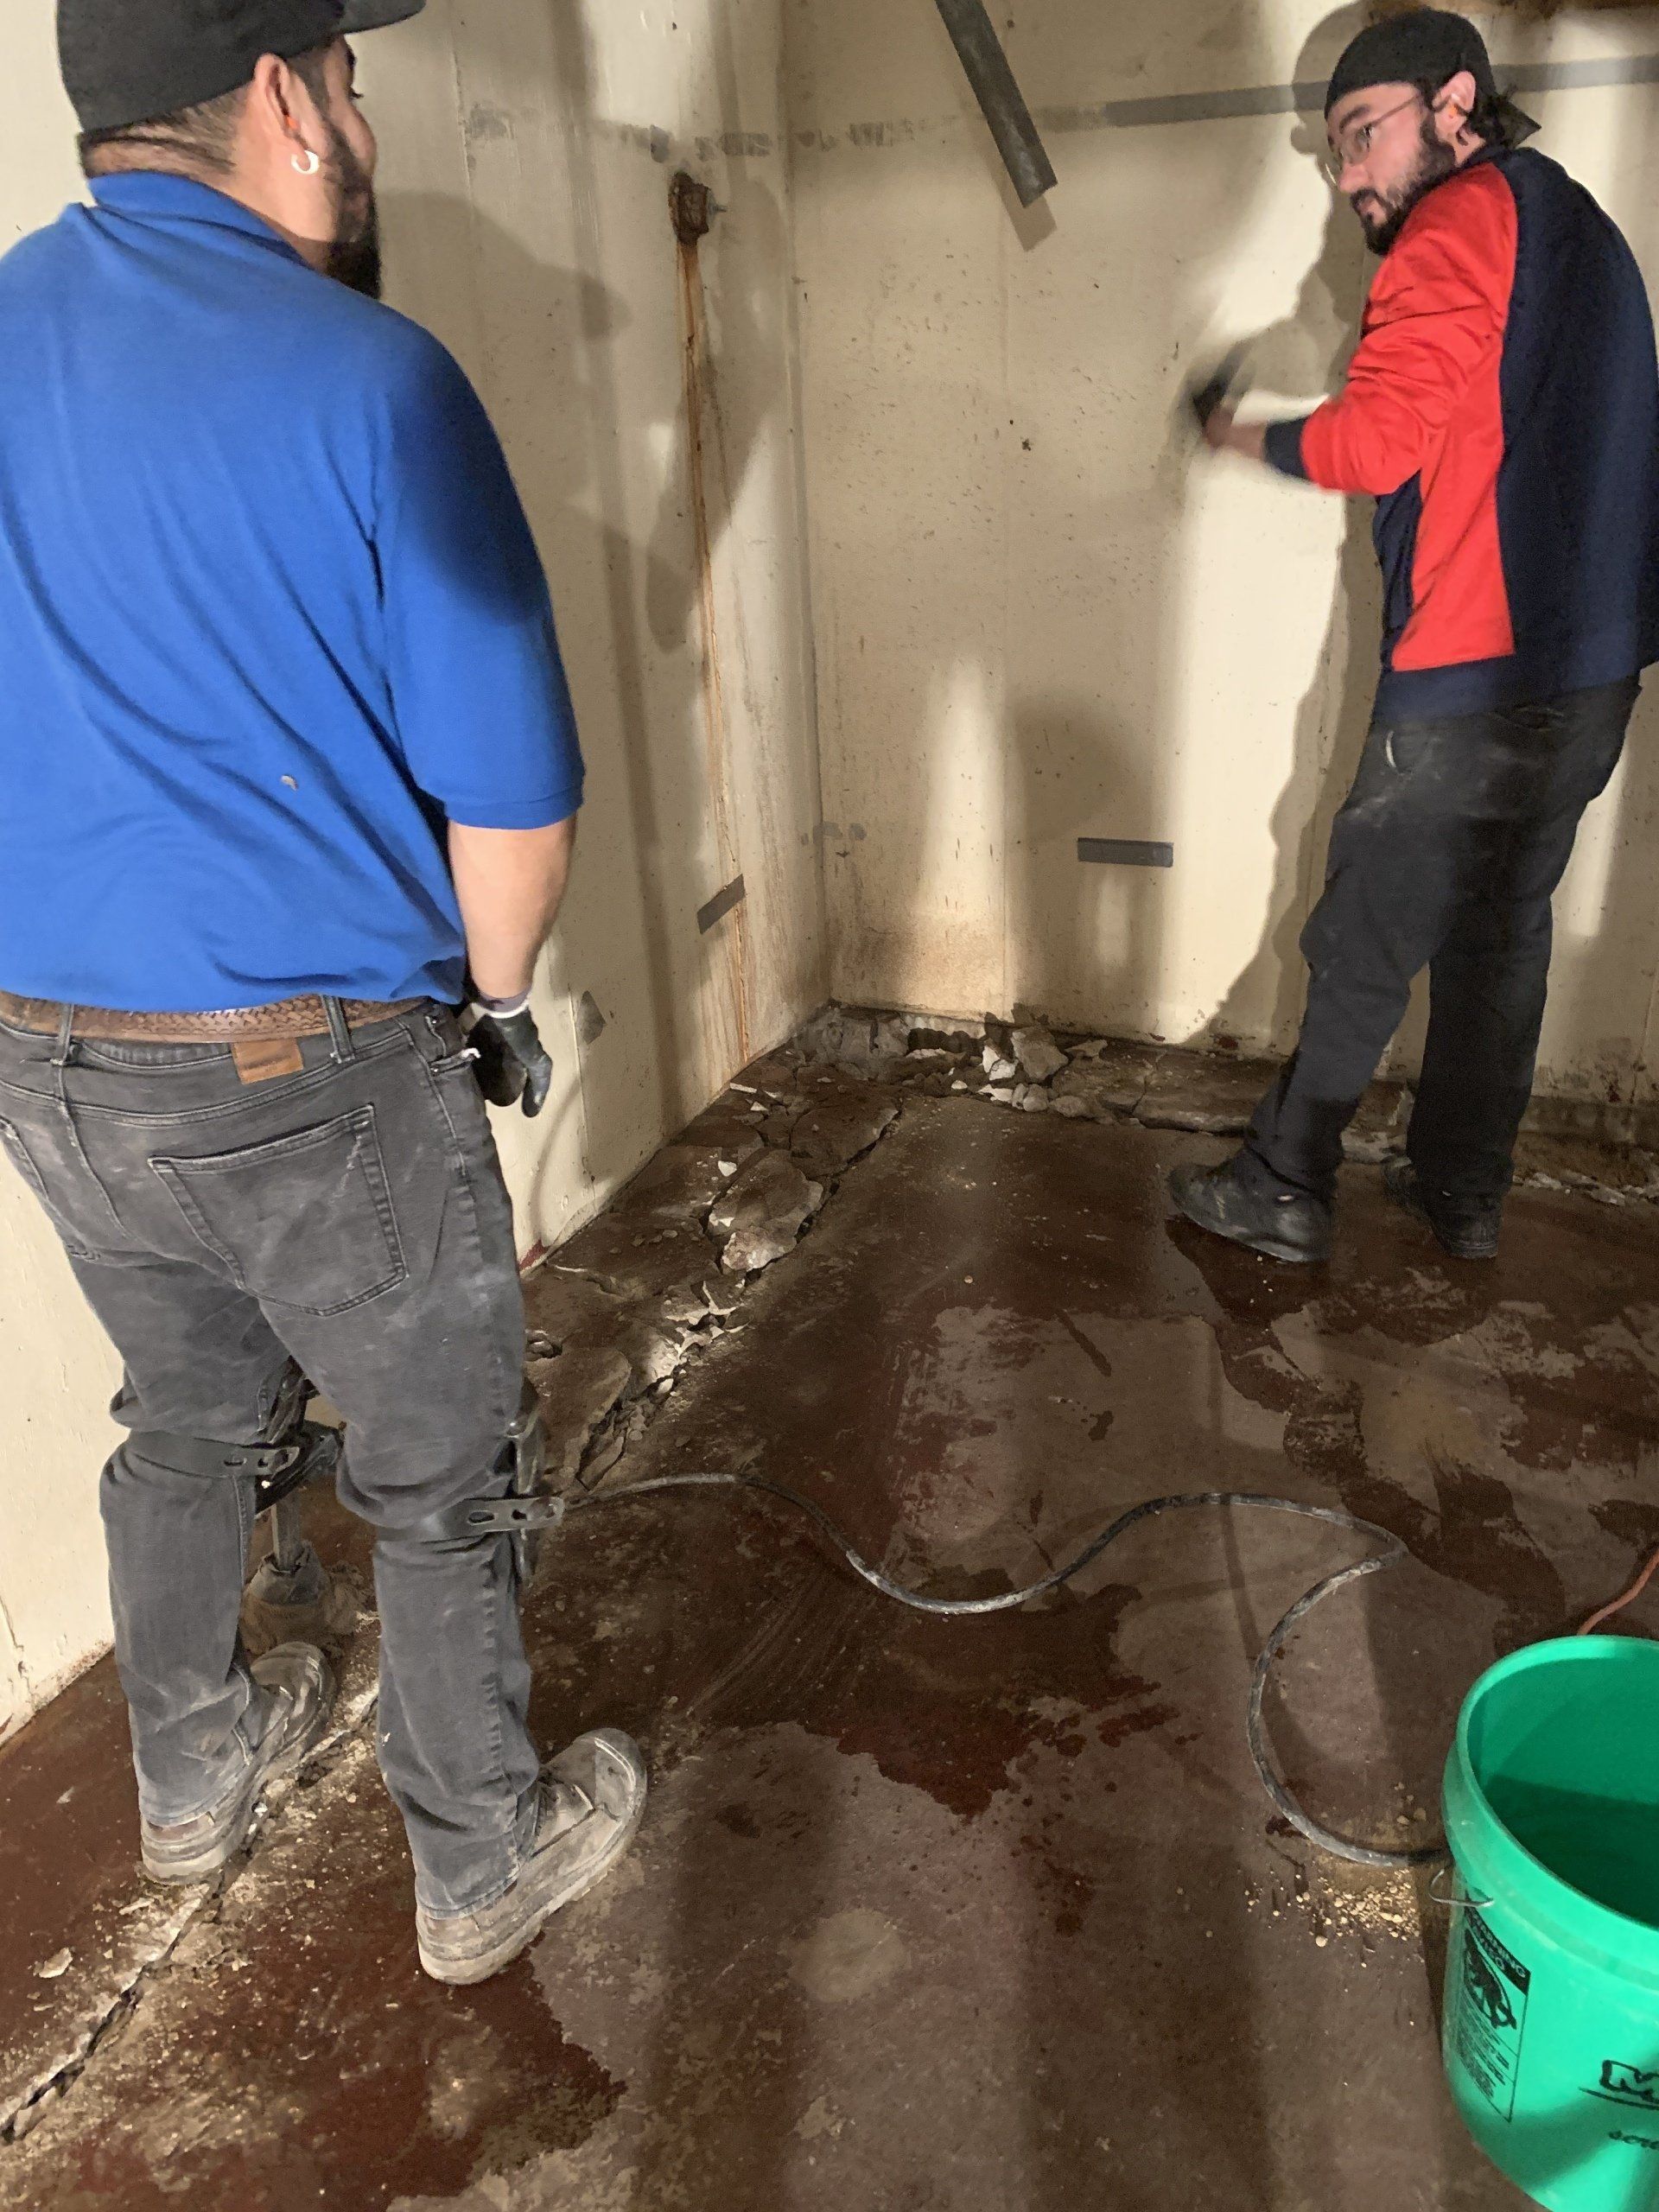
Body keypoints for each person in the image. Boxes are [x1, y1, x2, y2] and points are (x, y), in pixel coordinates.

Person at [0, 0, 645, 1986]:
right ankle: (481, 1859)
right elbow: (514, 812)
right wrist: (498, 1001)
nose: (362, 116)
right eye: (351, 79)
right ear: (281, 94)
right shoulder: (375, 376)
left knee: (186, 1417)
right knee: (442, 1467)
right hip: (311, 1067)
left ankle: (192, 1783)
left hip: (45, 1053)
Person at [1171, 7, 1659, 1265]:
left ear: (1455, 104)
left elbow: (1377, 442)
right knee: (1502, 934)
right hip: (1592, 679)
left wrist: (1245, 435)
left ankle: (1284, 1184)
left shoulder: (1456, 222)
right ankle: (1462, 1191)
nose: (1347, 180)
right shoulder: (1587, 233)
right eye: (1334, 152)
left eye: (1361, 136)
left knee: (1366, 941)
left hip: (1469, 679)